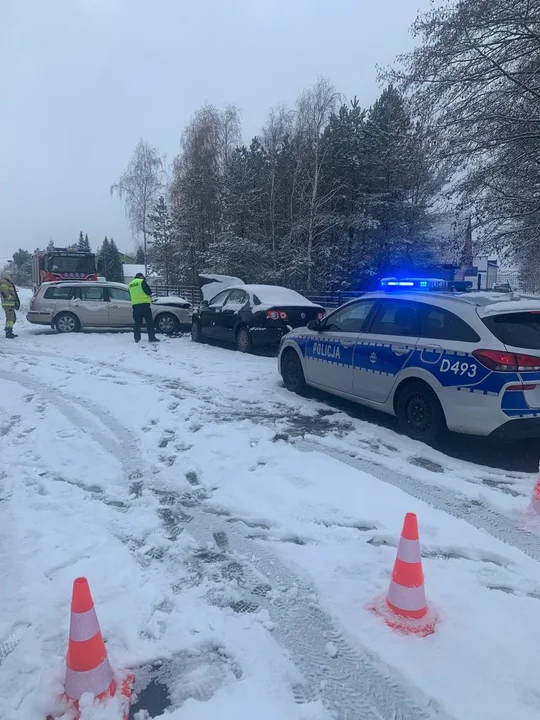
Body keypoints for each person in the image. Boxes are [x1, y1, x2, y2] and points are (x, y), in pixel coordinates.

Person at [127, 273, 159, 343]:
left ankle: (137, 338)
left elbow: (130, 294)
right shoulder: (141, 282)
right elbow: (149, 292)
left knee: (137, 323)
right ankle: (151, 337)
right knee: (149, 322)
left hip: (135, 306)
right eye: (143, 277)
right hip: (145, 305)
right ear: (141, 276)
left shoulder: (130, 284)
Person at [0, 271, 20, 339]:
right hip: (7, 303)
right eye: (11, 275)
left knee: (12, 318)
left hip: (10, 303)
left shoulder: (8, 282)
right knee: (10, 319)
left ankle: (8, 330)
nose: (12, 277)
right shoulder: (4, 282)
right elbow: (4, 292)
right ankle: (8, 332)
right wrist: (11, 298)